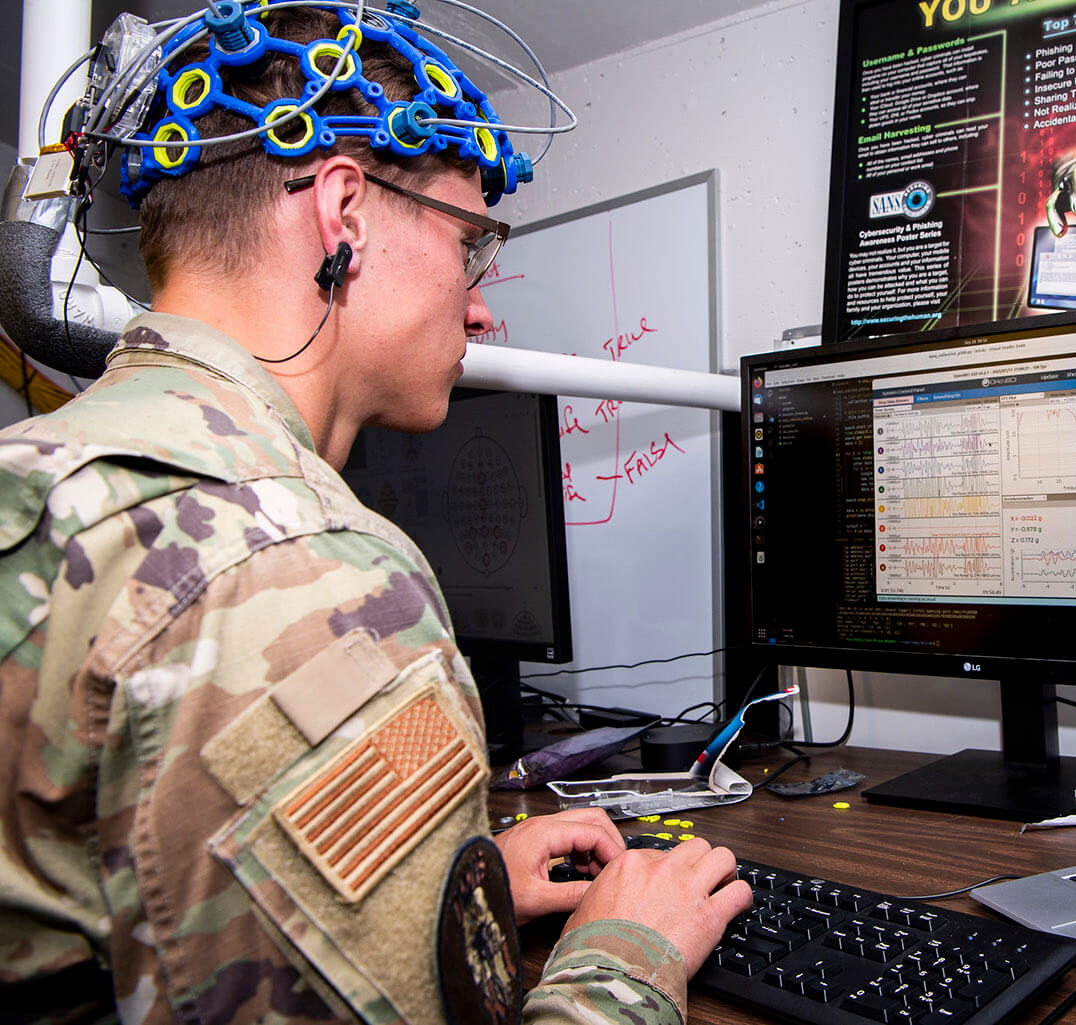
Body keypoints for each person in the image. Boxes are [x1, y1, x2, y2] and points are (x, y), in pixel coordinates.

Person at [0, 6, 751, 1024]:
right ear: (343, 214)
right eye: (471, 241)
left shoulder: (39, 472)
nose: (481, 304)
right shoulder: (305, 572)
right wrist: (627, 952)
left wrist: (458, 873)